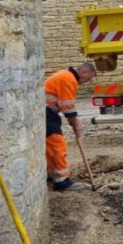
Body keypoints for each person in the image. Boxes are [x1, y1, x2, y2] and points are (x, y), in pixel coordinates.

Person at [45, 62, 96, 191]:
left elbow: (64, 105)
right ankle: (62, 181)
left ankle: (50, 175)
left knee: (50, 147)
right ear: (84, 73)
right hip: (46, 114)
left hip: (46, 112)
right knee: (57, 145)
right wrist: (77, 125)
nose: (87, 82)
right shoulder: (69, 79)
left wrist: (72, 121)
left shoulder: (66, 76)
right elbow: (68, 107)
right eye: (88, 78)